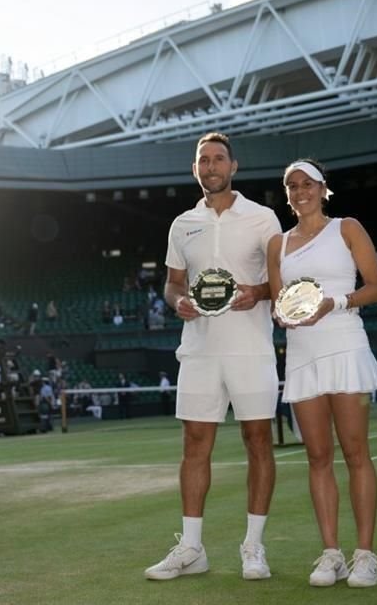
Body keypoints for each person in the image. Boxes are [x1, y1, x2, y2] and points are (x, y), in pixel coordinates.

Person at [145, 132, 280, 582]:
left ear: (233, 166)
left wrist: (257, 292)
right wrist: (176, 301)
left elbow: (281, 283)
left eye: (218, 159)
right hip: (200, 349)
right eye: (203, 160)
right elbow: (172, 283)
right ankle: (191, 548)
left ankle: (253, 547)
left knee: (258, 442)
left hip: (251, 347)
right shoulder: (182, 223)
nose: (211, 167)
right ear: (195, 169)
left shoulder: (263, 219)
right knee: (194, 446)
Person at [266, 158, 377, 588]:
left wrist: (332, 304)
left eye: (307, 184)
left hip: (345, 347)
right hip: (302, 355)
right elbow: (280, 302)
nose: (299, 192)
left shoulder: (348, 228)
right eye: (291, 186)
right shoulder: (276, 245)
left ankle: (365, 556)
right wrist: (284, 316)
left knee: (356, 453)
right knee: (317, 457)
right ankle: (332, 553)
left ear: (322, 188)